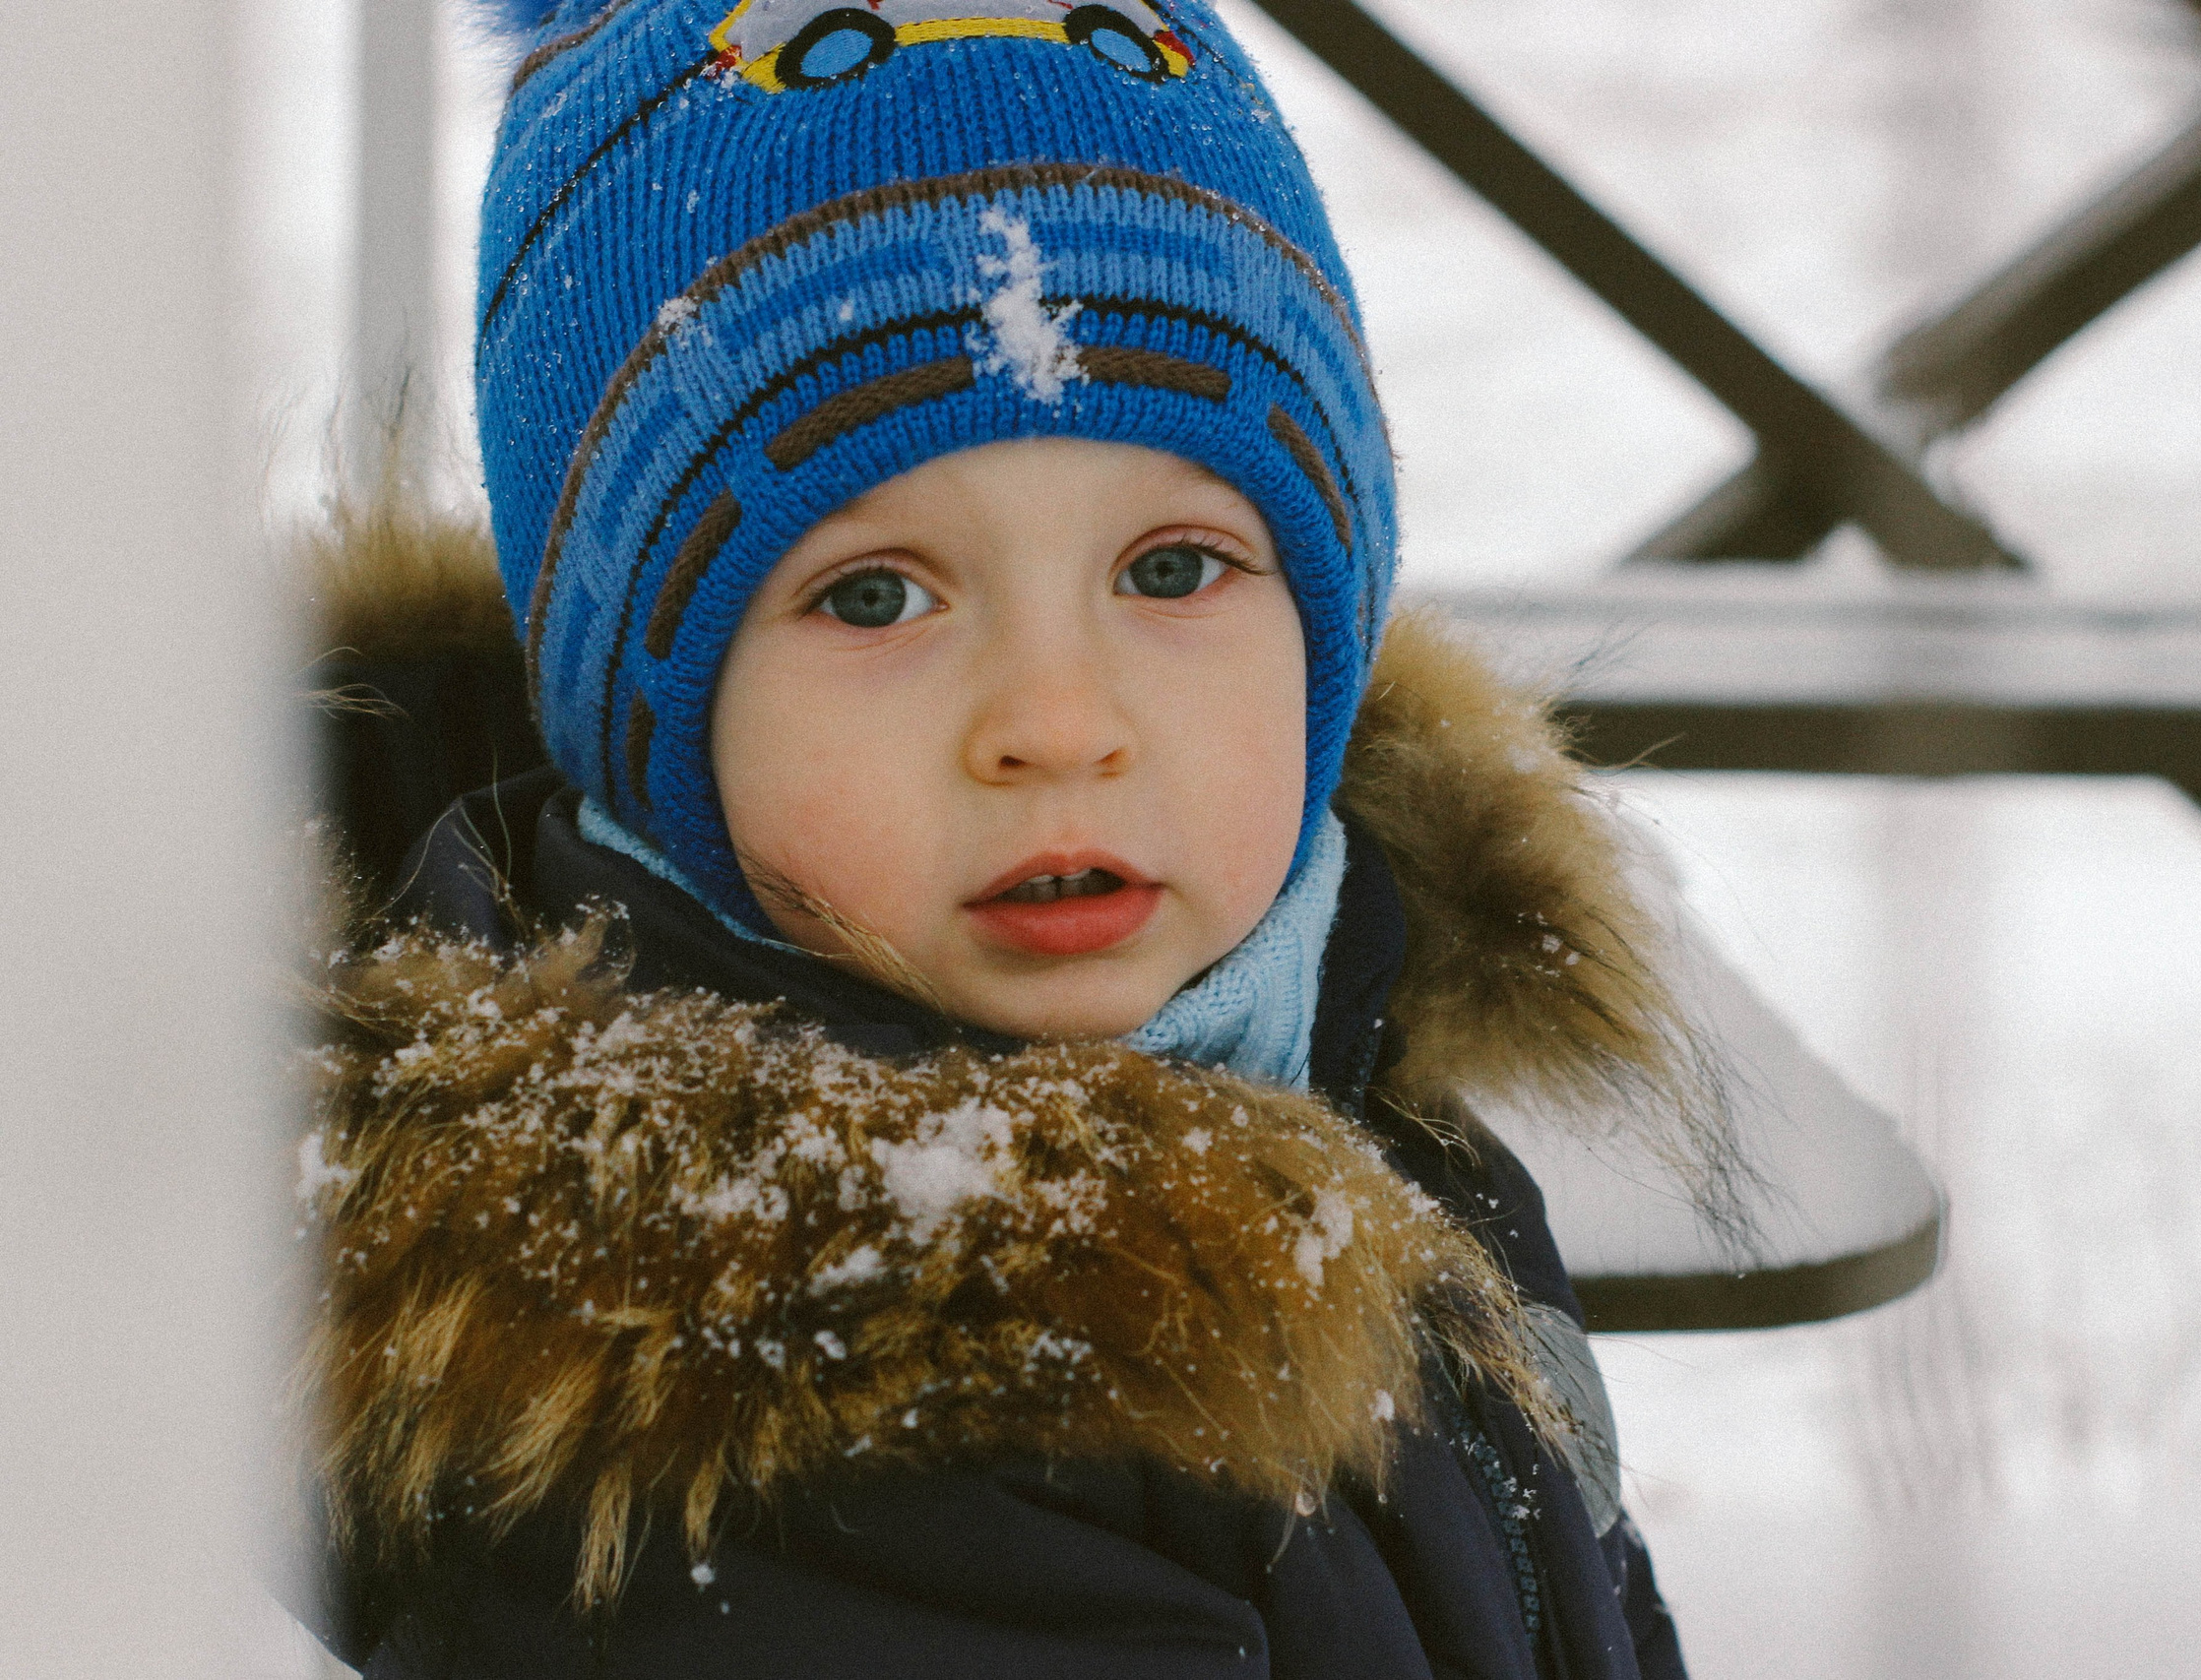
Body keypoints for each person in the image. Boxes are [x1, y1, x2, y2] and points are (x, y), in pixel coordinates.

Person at [297, 1, 1745, 1673]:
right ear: (642, 720)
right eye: (874, 595)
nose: (1057, 720)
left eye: (1174, 568)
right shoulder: (814, 1417)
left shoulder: (1328, 1056)